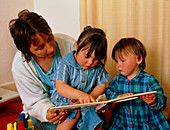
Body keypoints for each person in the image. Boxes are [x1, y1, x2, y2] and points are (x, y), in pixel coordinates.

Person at [9, 9, 76, 130]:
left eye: (50, 38)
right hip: (49, 112)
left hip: (74, 104)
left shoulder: (70, 45)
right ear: (27, 50)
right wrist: (48, 112)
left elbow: (90, 76)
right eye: (40, 47)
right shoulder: (20, 67)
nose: (50, 49)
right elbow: (34, 102)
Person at [51, 27, 111, 130]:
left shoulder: (98, 66)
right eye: (87, 56)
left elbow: (101, 85)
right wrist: (80, 95)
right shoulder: (66, 62)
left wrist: (88, 98)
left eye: (96, 59)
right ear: (77, 47)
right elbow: (61, 86)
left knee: (94, 117)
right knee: (73, 115)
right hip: (67, 99)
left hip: (86, 101)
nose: (90, 62)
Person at [106, 38, 170, 129]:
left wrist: (154, 101)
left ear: (139, 59)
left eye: (123, 61)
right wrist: (117, 97)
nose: (118, 65)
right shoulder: (117, 80)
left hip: (144, 124)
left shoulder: (149, 80)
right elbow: (109, 91)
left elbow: (162, 100)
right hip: (123, 124)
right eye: (117, 61)